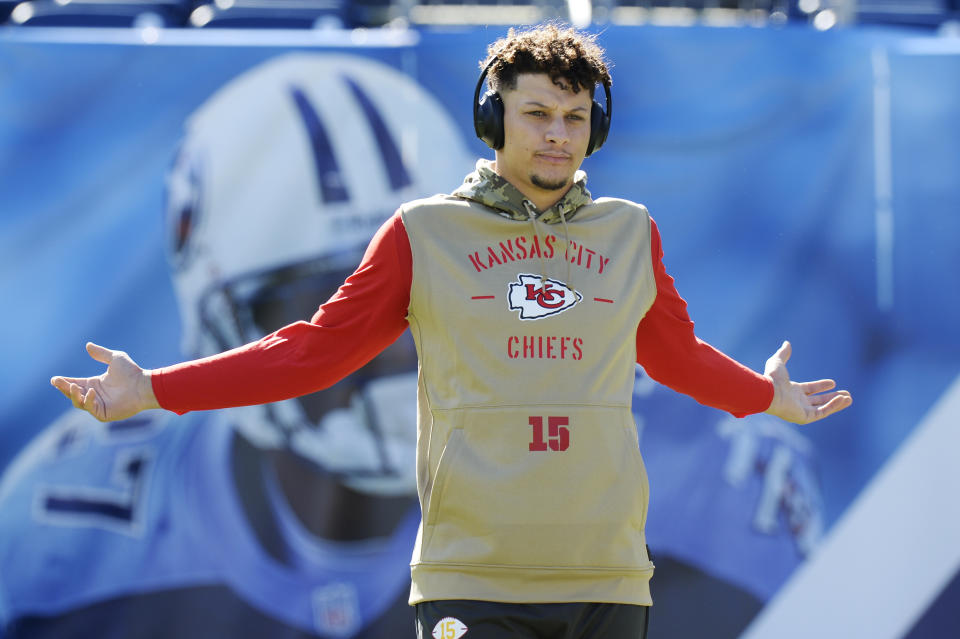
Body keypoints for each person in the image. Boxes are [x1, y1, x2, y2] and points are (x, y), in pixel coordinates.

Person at [51, 24, 852, 639]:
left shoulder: (630, 231)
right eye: (536, 113)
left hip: (606, 574)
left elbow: (675, 355)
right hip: (474, 574)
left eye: (575, 117)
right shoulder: (424, 232)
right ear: (491, 117)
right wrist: (155, 386)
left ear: (595, 129)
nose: (556, 134)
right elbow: (312, 353)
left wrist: (763, 395)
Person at [2, 54, 473, 638]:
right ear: (223, 323)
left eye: (428, 288)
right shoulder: (68, 517)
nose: (399, 349)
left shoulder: (599, 435)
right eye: (325, 304)